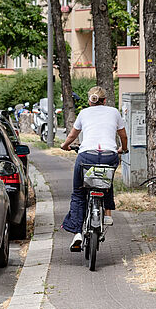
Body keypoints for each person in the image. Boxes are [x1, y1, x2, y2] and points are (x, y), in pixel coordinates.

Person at [60, 86, 128, 252]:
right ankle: (107, 213)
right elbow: (123, 136)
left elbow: (72, 136)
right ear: (105, 100)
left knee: (78, 193)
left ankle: (77, 233)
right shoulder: (114, 112)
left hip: (86, 157)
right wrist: (123, 149)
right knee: (106, 180)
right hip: (109, 155)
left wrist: (65, 145)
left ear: (90, 100)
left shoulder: (84, 113)